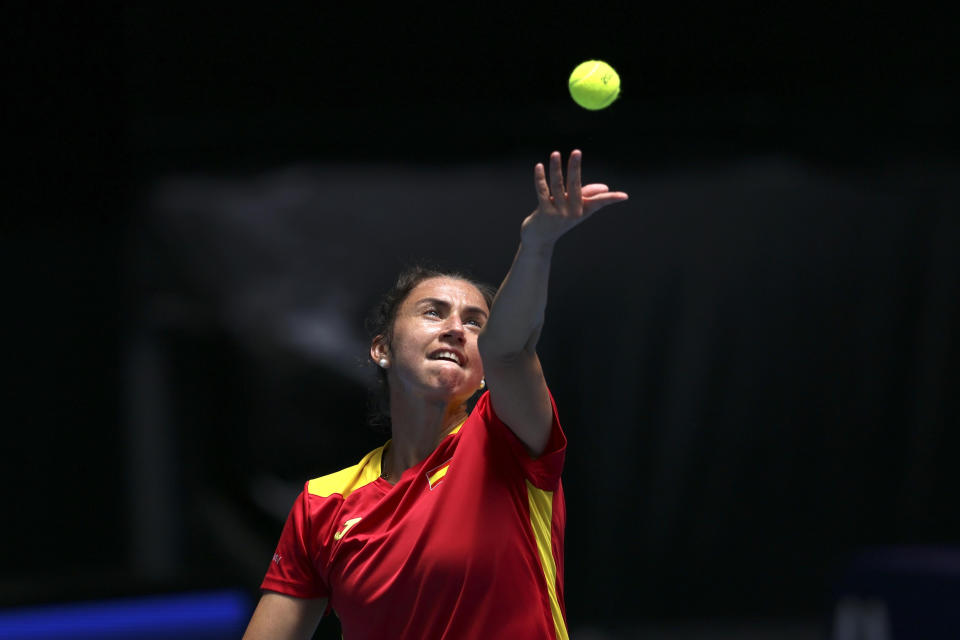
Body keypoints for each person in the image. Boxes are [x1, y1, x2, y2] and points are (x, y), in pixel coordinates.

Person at [242, 149, 629, 639]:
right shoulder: (324, 505)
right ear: (382, 348)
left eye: (473, 322)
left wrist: (538, 244)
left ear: (485, 368)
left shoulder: (506, 440)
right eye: (432, 312)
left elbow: (509, 348)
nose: (455, 329)